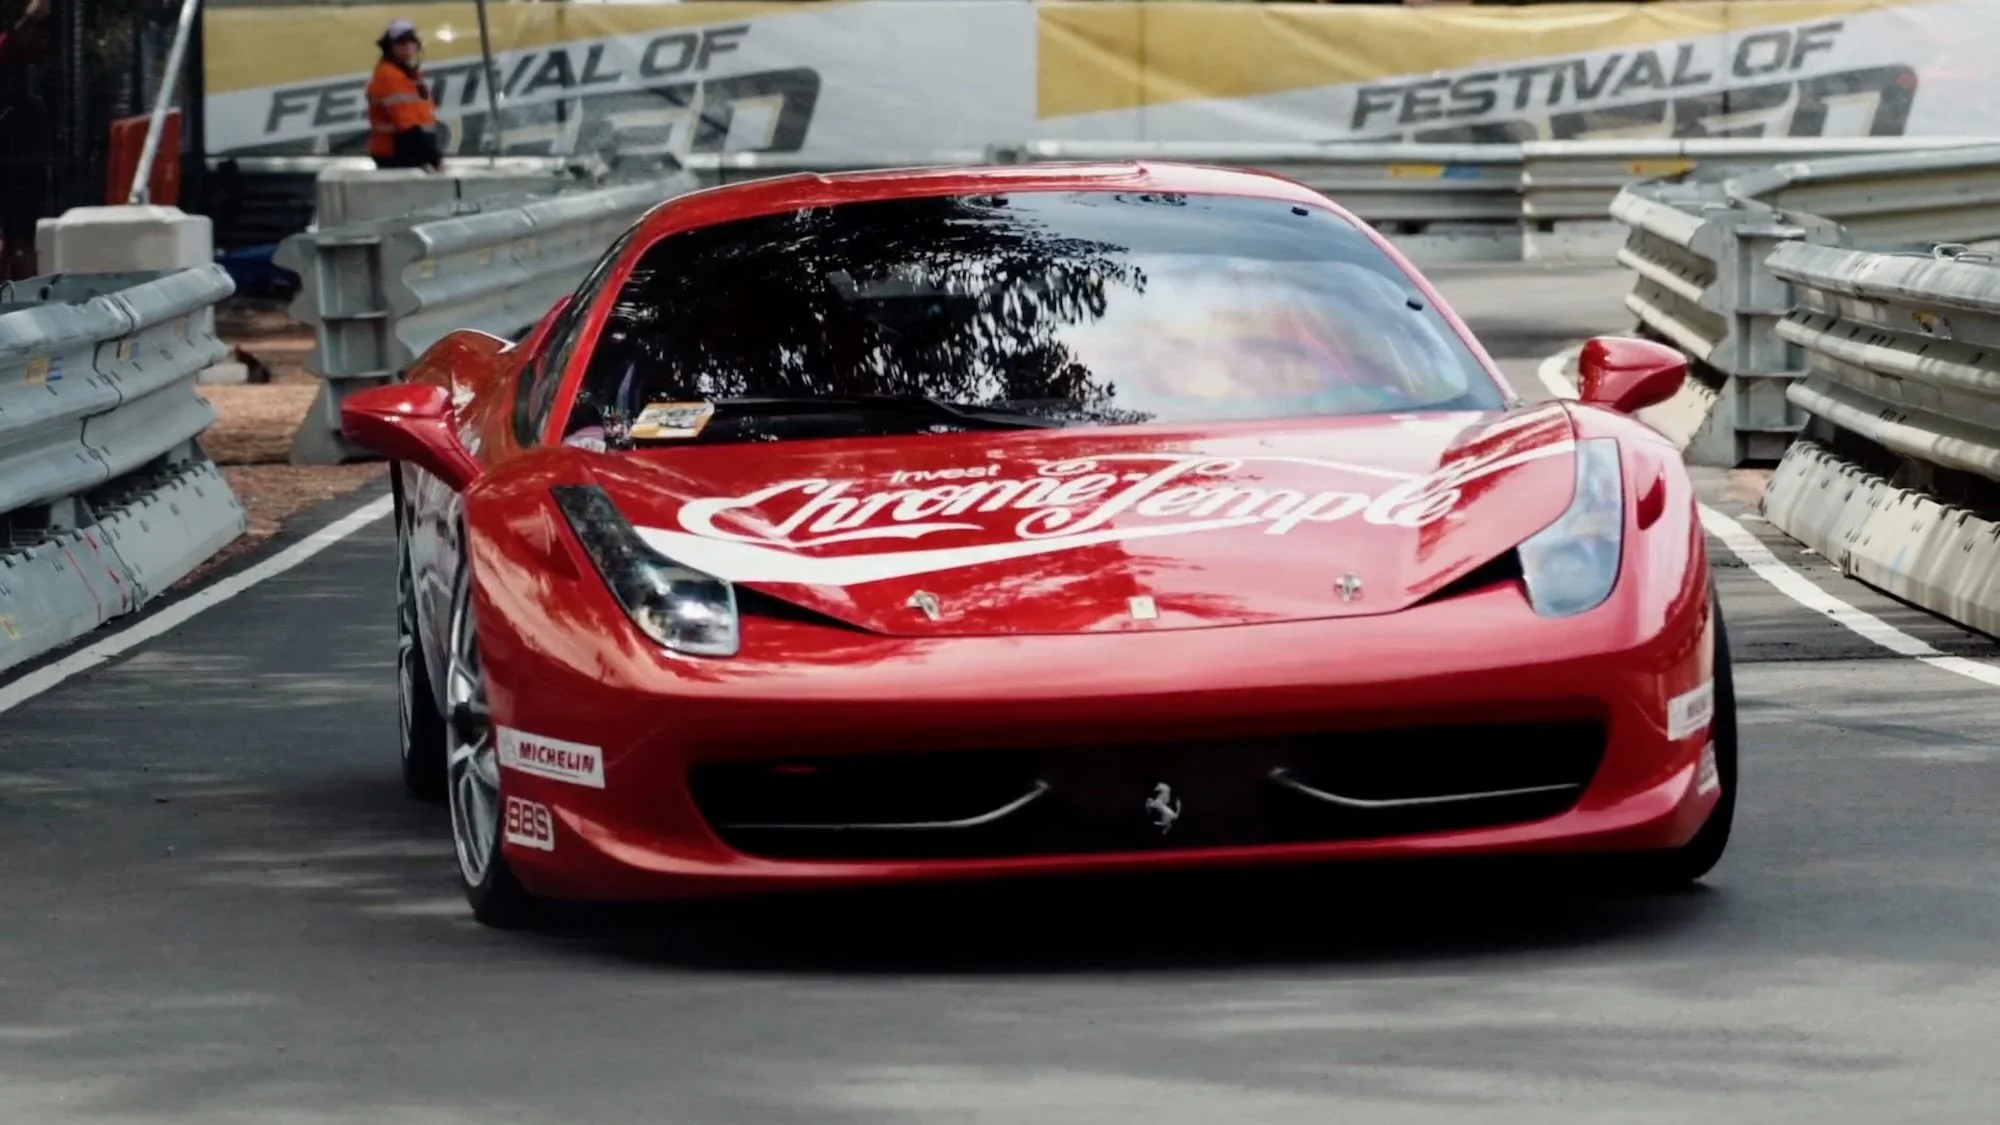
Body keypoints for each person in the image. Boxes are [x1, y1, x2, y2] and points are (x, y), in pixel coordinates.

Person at [365, 19, 444, 171]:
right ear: (390, 47)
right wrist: (435, 159)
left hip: (406, 151)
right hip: (397, 152)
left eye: (412, 39)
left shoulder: (408, 74)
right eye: (401, 41)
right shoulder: (391, 76)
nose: (408, 44)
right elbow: (407, 126)